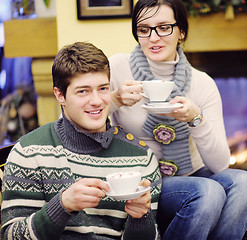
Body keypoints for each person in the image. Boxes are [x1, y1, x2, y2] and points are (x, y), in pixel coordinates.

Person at [109, 0, 247, 238]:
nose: (153, 37)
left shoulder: (202, 84)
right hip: (144, 178)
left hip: (193, 173)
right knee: (208, 192)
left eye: (164, 27)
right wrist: (115, 99)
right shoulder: (117, 68)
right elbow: (78, 116)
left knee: (245, 183)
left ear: (181, 32)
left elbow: (220, 165)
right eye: (144, 29)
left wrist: (195, 119)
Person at [1, 42, 161, 239]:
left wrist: (140, 219)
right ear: (59, 95)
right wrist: (62, 205)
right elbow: (10, 236)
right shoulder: (29, 152)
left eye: (103, 88)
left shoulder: (142, 158)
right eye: (83, 91)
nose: (96, 101)